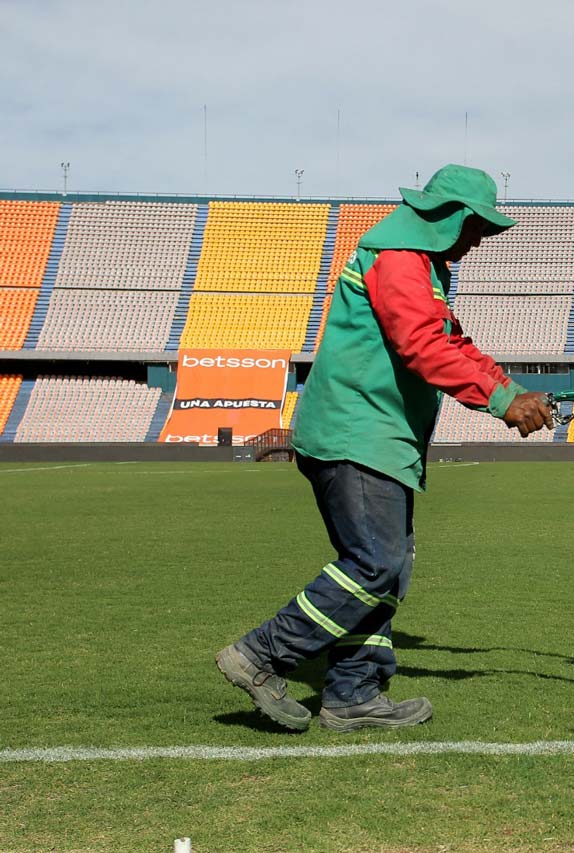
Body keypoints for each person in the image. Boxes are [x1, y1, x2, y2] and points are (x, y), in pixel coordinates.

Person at [216, 164, 553, 732]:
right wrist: (500, 400)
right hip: (357, 433)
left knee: (386, 570)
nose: (476, 243)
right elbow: (421, 346)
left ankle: (353, 694)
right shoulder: (398, 258)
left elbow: (451, 342)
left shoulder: (419, 264)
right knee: (374, 564)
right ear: (451, 217)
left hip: (375, 437)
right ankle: (260, 655)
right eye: (476, 229)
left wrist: (513, 391)